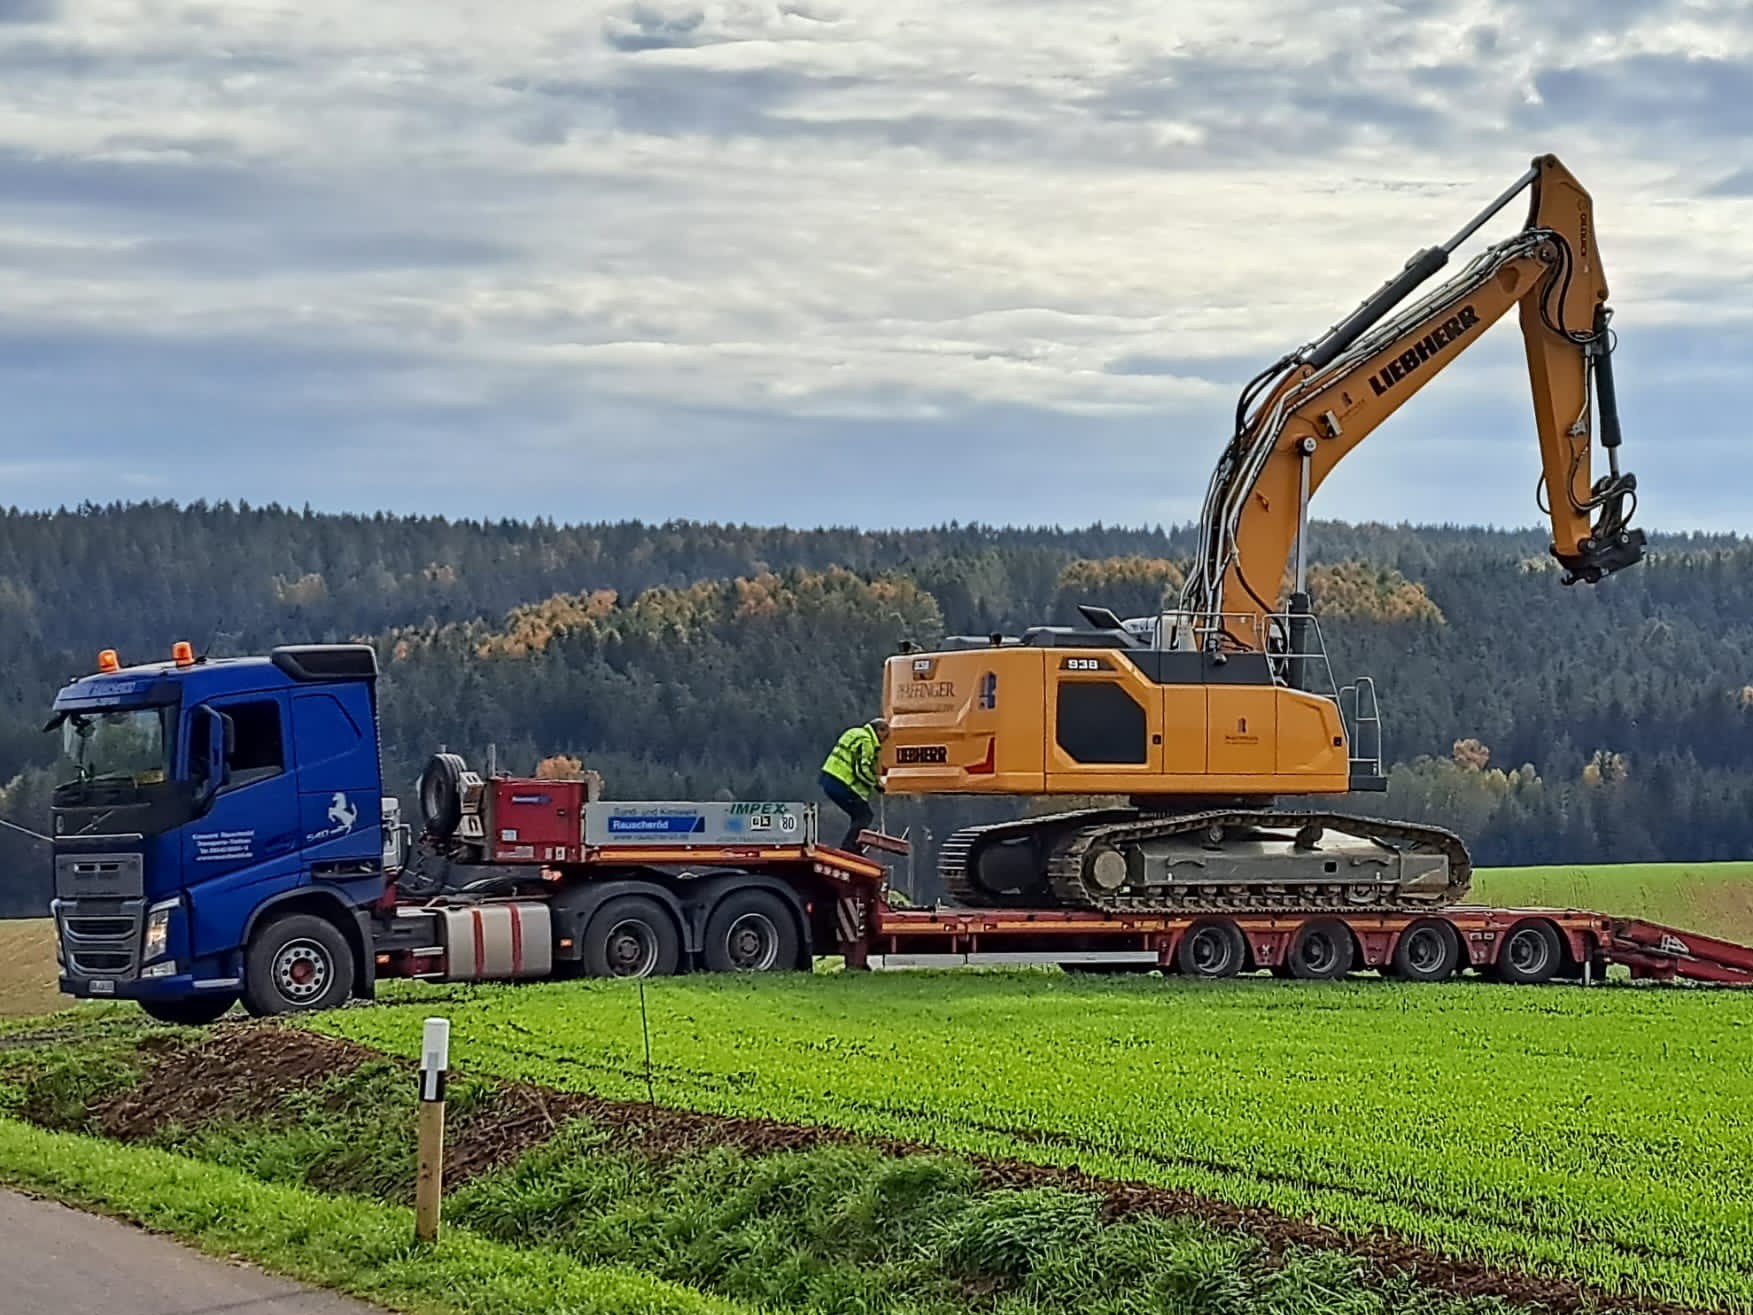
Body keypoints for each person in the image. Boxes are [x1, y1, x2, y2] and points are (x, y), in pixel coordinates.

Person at [819, 717, 889, 851]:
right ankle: (850, 848)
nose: (884, 740)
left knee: (857, 815)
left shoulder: (854, 732)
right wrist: (875, 784)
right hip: (841, 782)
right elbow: (861, 769)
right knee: (864, 815)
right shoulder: (867, 741)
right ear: (879, 730)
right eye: (885, 736)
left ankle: (852, 846)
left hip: (829, 779)